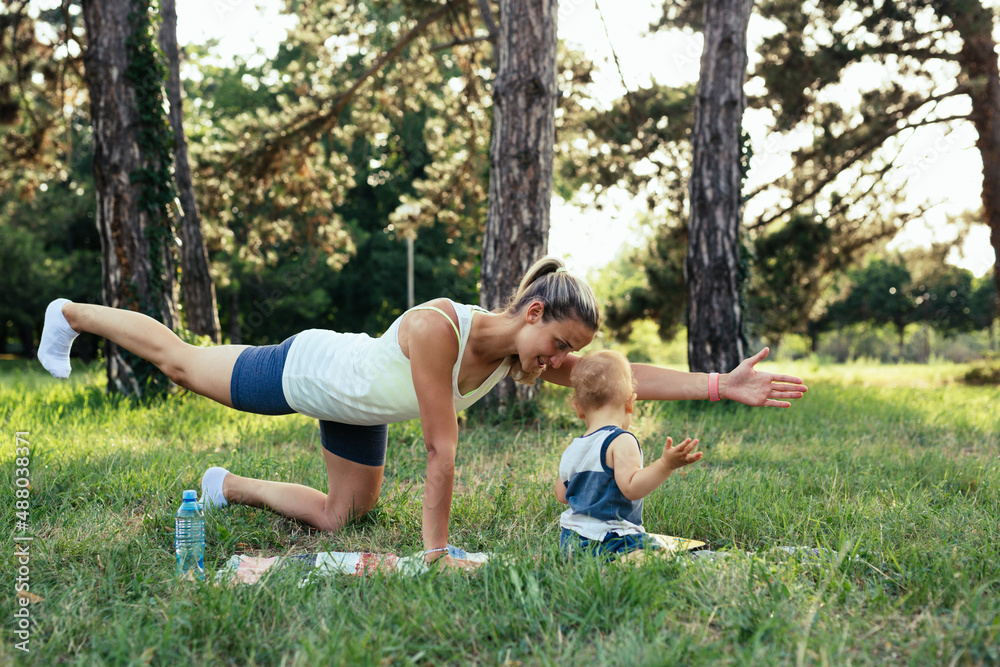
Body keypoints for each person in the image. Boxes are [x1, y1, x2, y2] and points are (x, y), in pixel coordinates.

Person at [38, 257, 807, 570]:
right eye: (557, 342)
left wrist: (717, 385)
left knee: (343, 516)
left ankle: (224, 483)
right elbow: (442, 449)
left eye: (565, 353)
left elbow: (616, 380)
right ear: (534, 310)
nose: (556, 362)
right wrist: (434, 553)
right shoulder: (443, 329)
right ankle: (69, 311)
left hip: (358, 407)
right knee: (180, 360)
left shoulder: (521, 354)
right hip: (311, 371)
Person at [555, 349, 702, 562]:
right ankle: (623, 563)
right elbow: (632, 488)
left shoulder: (574, 447)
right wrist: (665, 464)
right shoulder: (621, 440)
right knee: (658, 553)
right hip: (611, 540)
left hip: (572, 541)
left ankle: (591, 563)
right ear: (630, 402)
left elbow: (561, 495)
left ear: (579, 409)